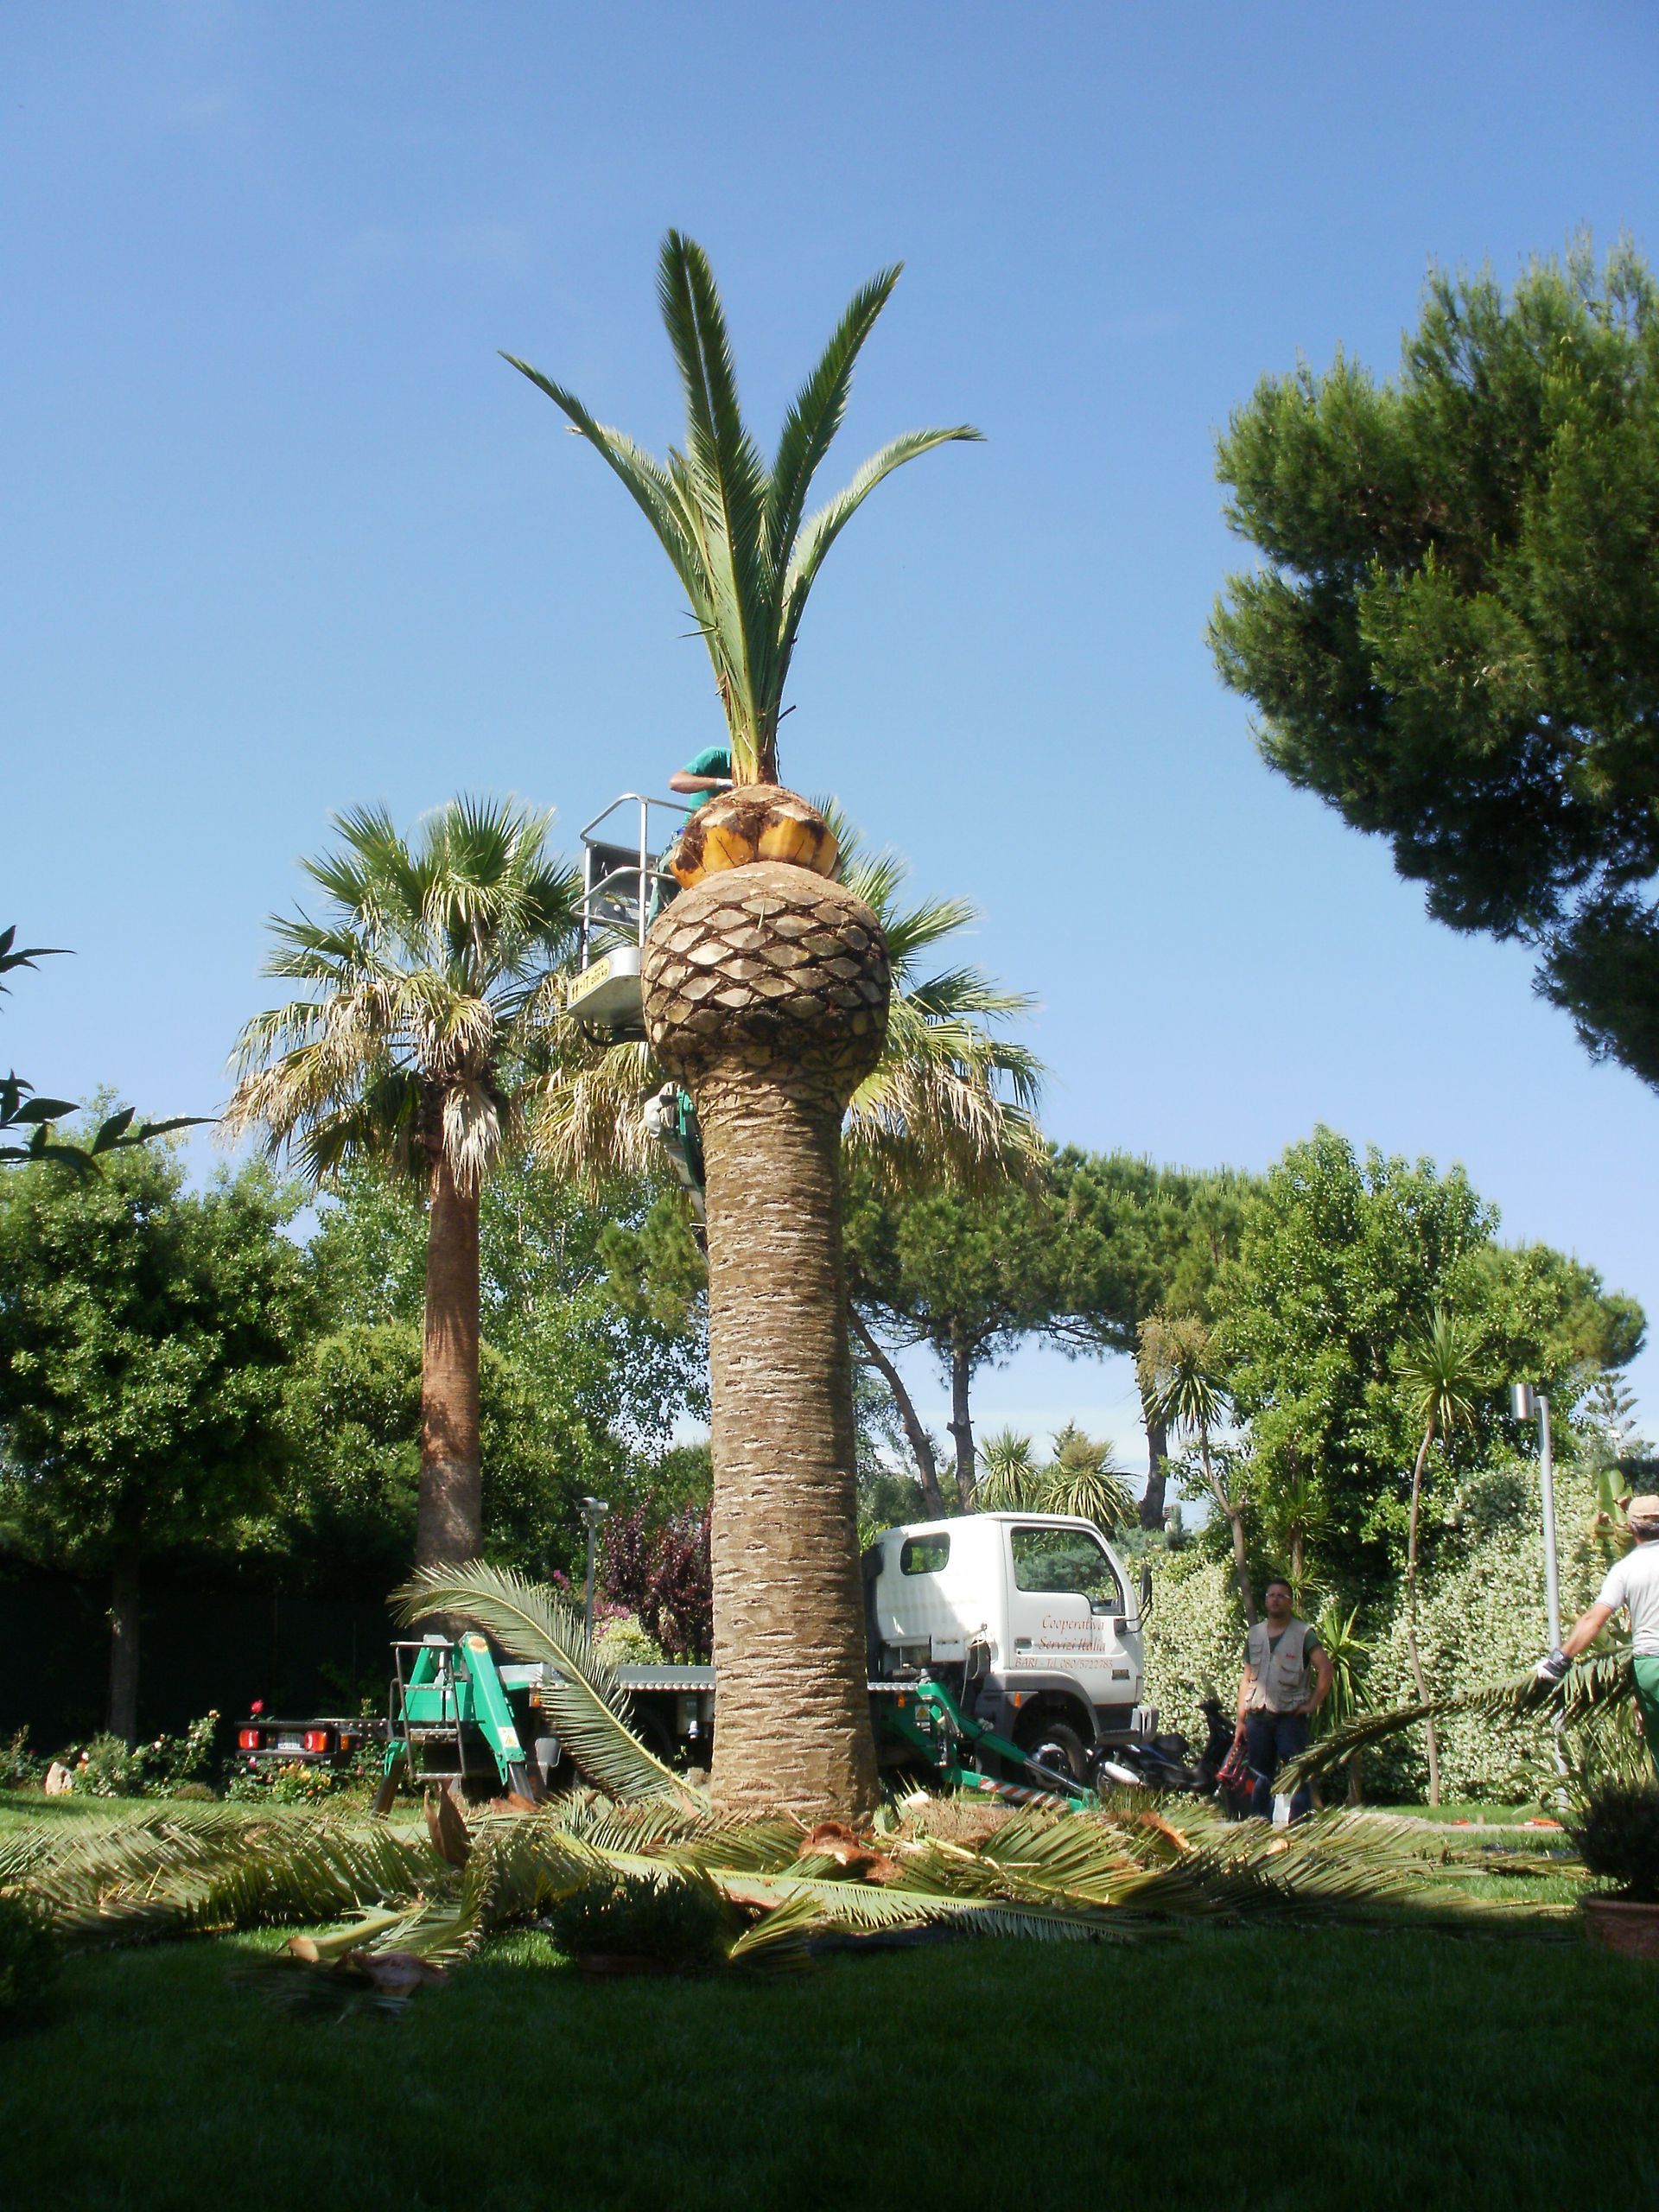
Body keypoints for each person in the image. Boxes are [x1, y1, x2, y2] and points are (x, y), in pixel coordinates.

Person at [1535, 1492, 1659, 1777]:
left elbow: (1595, 1619)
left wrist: (1559, 1660)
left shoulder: (1625, 1569)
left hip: (1650, 1668)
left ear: (1631, 1528)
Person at [1233, 1577, 1334, 1820]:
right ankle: (1259, 1825)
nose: (1275, 1600)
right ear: (1266, 1601)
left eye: (1281, 1596)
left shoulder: (1303, 1633)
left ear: (1290, 1602)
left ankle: (1300, 1825)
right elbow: (1247, 1678)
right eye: (1271, 1595)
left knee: (1296, 1774)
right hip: (1258, 1718)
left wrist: (1312, 1703)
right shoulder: (1255, 1633)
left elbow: (1326, 1669)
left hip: (1290, 1718)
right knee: (1258, 1776)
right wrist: (1240, 1720)